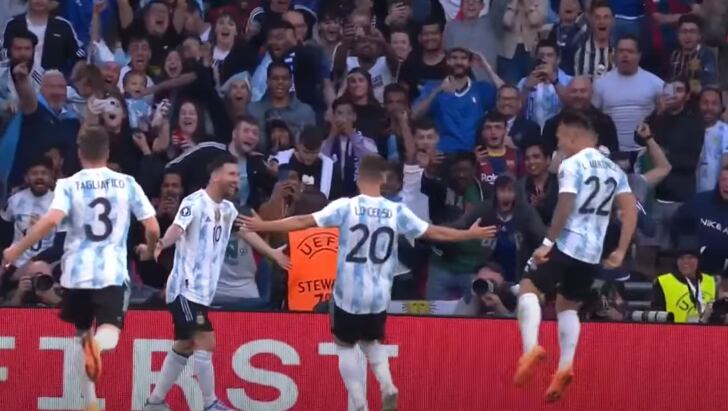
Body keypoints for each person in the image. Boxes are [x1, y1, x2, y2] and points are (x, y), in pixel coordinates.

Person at [240, 154, 498, 411]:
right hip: (379, 294)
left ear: (359, 178)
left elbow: (303, 221)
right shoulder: (396, 210)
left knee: (344, 345)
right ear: (383, 179)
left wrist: (265, 223)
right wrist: (469, 233)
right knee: (372, 342)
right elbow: (434, 232)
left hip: (348, 291)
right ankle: (387, 384)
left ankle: (359, 402)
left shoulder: (345, 206)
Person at [2, 126, 160, 411]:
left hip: (75, 274)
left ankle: (91, 403)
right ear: (108, 152)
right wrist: (149, 249)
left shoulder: (68, 185)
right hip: (110, 273)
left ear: (79, 153)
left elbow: (51, 221)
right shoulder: (127, 183)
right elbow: (152, 226)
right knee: (108, 333)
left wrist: (16, 249)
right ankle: (98, 350)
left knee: (83, 334)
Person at [141, 154, 287, 411]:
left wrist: (272, 253)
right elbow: (178, 228)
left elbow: (246, 232)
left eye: (237, 176)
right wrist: (161, 243)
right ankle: (210, 404)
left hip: (202, 294)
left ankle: (154, 402)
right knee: (206, 340)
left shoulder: (228, 210)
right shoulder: (194, 202)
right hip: (184, 289)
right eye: (232, 175)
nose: (236, 180)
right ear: (216, 176)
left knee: (185, 345)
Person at [513, 111, 637, 402]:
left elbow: (565, 204)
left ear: (572, 135)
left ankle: (531, 348)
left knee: (529, 287)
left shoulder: (572, 164)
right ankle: (565, 366)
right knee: (568, 305)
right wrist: (619, 249)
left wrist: (547, 242)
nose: (558, 144)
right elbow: (629, 210)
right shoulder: (614, 170)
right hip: (592, 253)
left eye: (559, 138)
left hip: (567, 243)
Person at [696, 87, 728, 193]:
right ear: (698, 104)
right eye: (705, 103)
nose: (709, 107)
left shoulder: (725, 131)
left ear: (721, 107)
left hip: (715, 196)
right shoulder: (688, 129)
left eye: (714, 104)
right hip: (687, 195)